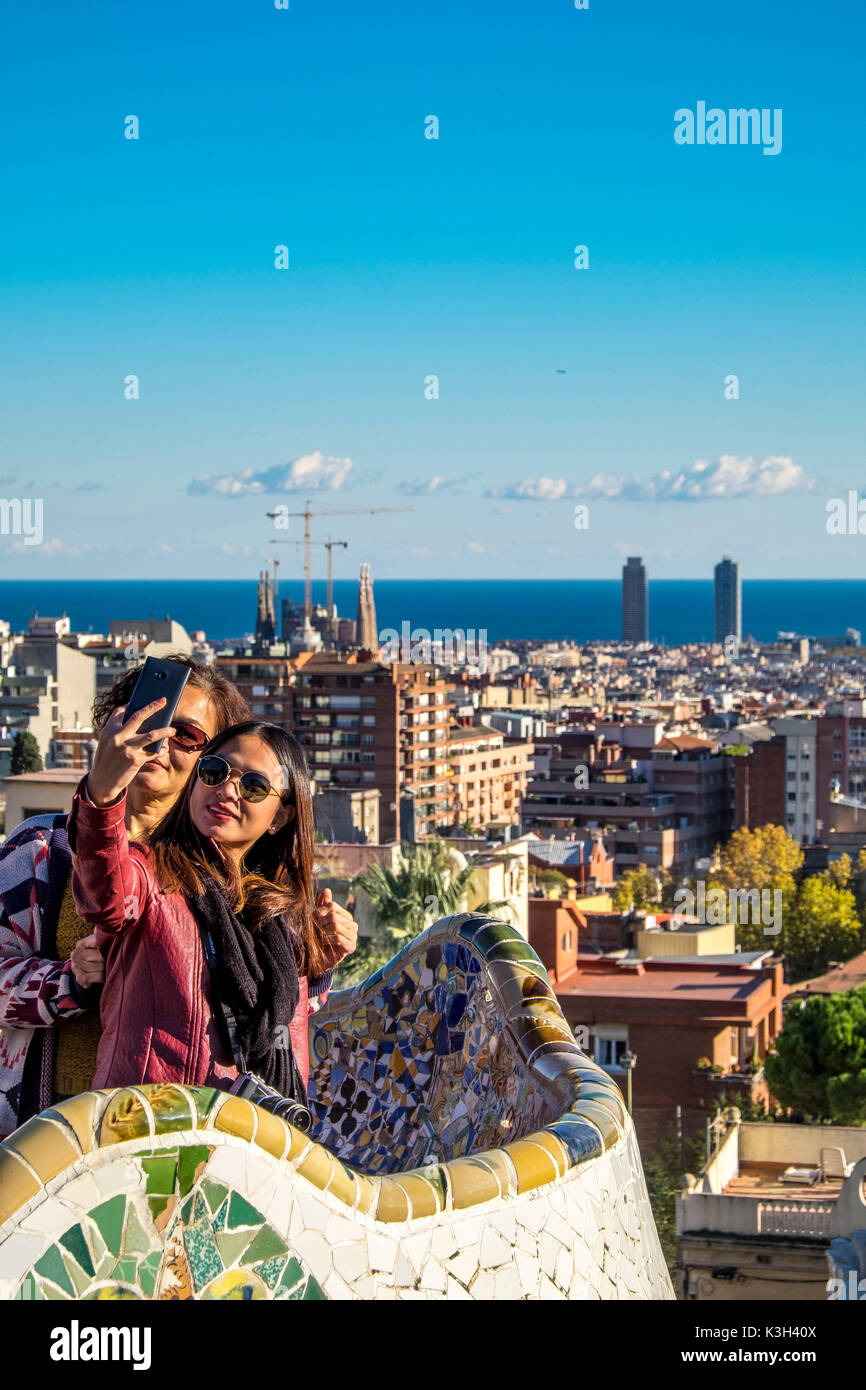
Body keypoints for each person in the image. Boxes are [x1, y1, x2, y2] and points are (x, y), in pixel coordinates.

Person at [0, 655, 251, 1139]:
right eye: (143, 717)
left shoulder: (223, 877)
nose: (158, 741)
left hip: (163, 1144)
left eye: (187, 736)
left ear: (212, 762)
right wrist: (66, 984)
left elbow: (262, 1001)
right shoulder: (39, 852)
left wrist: (318, 959)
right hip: (31, 1137)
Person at [69, 708, 356, 1097]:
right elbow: (105, 895)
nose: (227, 790)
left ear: (280, 816)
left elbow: (284, 1020)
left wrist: (317, 962)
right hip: (149, 1132)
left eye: (253, 786)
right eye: (215, 771)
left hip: (250, 1138)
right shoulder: (150, 874)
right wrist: (102, 798)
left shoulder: (276, 915)